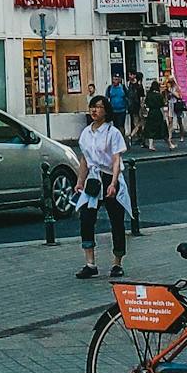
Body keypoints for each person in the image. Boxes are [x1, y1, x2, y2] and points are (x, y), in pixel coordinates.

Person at [73, 96, 131, 281]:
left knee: (116, 220)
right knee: (86, 218)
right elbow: (84, 159)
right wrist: (79, 181)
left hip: (109, 176)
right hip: (93, 178)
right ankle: (90, 263)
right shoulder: (85, 133)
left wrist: (113, 183)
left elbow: (116, 160)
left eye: (98, 107)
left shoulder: (112, 133)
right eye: (92, 107)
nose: (94, 110)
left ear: (106, 110)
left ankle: (117, 262)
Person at [143, 80, 171, 152]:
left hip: (151, 113)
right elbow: (162, 105)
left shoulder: (149, 95)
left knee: (150, 129)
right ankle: (169, 144)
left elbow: (145, 104)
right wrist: (165, 116)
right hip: (158, 113)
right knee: (163, 129)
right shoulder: (159, 95)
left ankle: (151, 145)